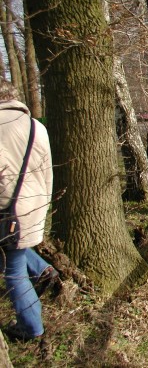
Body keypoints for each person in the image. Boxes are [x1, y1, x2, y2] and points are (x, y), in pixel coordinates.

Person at [0, 79, 57, 342]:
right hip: (33, 202)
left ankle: (32, 328)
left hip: (8, 208)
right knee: (17, 249)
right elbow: (47, 172)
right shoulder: (37, 126)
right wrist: (44, 203)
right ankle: (45, 271)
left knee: (13, 270)